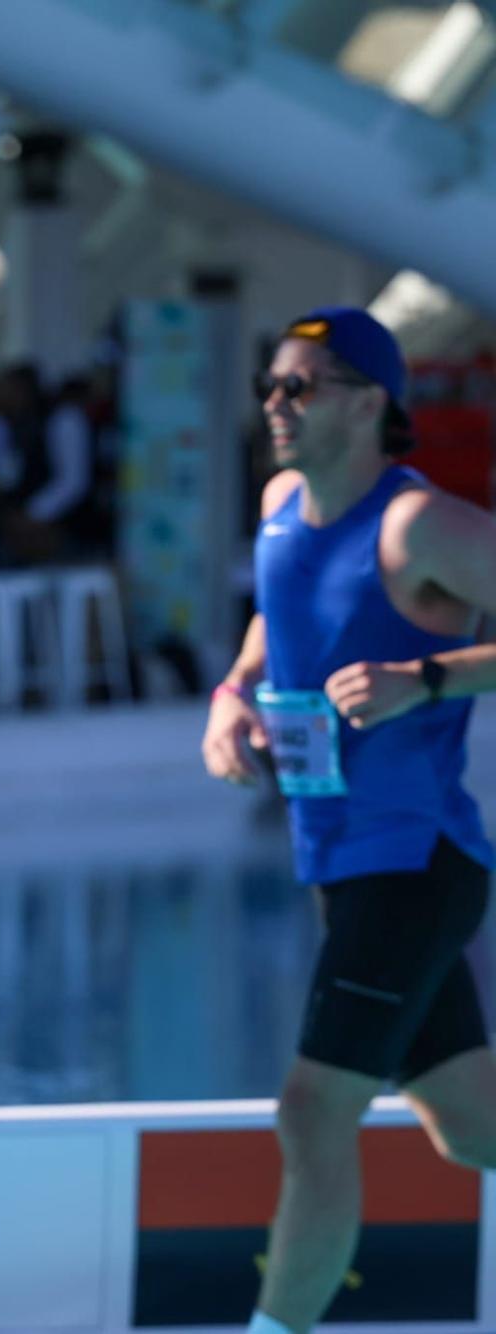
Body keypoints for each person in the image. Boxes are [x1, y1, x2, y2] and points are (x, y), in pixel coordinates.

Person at [200, 308, 496, 1334]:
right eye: (268, 384)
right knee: (469, 1127)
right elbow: (272, 612)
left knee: (311, 1107)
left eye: (301, 385)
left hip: (413, 858)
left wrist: (429, 676)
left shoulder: (418, 526)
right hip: (340, 863)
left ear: (370, 401)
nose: (274, 404)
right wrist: (230, 694)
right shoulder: (282, 502)